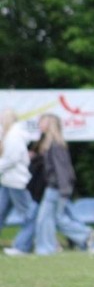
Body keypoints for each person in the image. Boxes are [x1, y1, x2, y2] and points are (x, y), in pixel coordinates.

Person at [32, 113, 94, 255]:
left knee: (48, 219)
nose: (39, 125)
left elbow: (62, 170)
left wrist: (64, 190)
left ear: (49, 124)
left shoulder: (55, 145)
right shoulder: (53, 144)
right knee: (53, 219)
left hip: (56, 188)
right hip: (56, 188)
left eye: (42, 122)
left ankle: (84, 235)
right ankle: (50, 246)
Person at [1, 109, 38, 256]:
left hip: (17, 182)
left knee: (29, 216)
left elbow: (12, 159)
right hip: (8, 181)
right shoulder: (11, 134)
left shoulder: (14, 135)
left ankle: (22, 246)